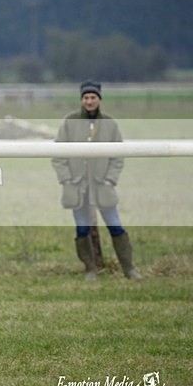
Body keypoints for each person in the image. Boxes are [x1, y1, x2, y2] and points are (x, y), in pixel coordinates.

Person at [51, 80, 142, 280]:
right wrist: (66, 179)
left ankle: (129, 269)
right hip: (77, 186)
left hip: (103, 187)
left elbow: (118, 155)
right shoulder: (69, 121)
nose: (89, 101)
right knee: (82, 228)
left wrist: (110, 180)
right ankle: (90, 269)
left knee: (115, 225)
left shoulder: (110, 124)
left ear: (99, 99)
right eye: (86, 98)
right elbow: (57, 154)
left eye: (93, 97)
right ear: (81, 100)